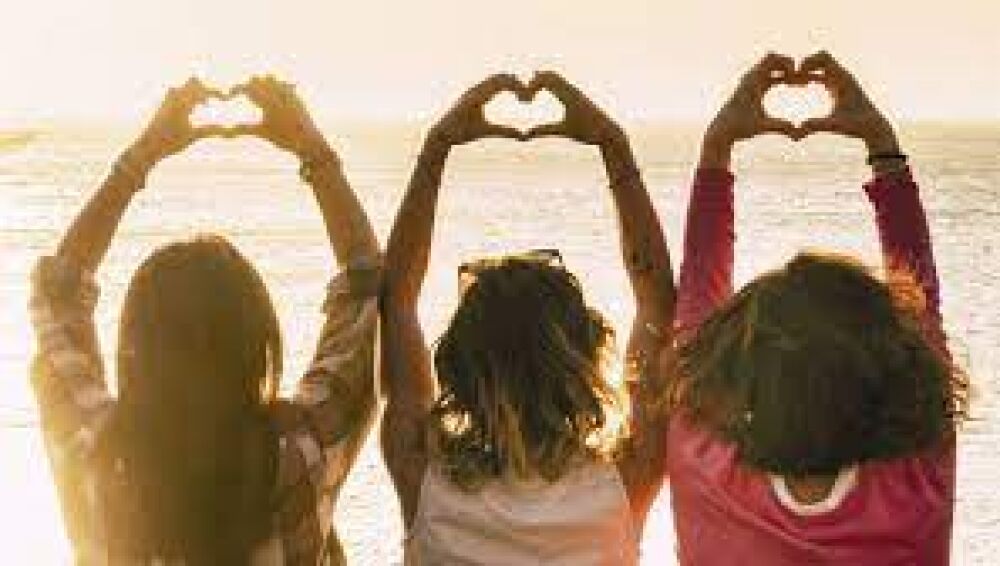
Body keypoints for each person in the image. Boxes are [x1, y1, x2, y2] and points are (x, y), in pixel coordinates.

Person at [29, 76, 381, 564]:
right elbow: (366, 292)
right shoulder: (299, 457)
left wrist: (140, 158)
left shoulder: (97, 456)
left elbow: (59, 295)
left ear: (135, 349)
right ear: (256, 350)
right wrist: (314, 154)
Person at [665, 52, 969, 564]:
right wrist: (882, 145)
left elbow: (696, 307)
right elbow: (923, 305)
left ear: (735, 367)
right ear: (895, 365)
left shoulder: (707, 467)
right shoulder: (915, 480)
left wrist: (717, 147)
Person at [379, 71, 675, 565]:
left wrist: (437, 149)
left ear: (458, 365)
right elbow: (658, 304)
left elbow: (397, 303)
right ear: (584, 357)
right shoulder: (621, 486)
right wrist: (612, 146)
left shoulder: (426, 481)